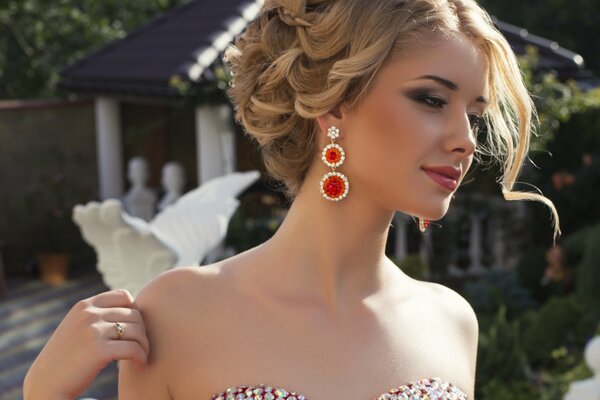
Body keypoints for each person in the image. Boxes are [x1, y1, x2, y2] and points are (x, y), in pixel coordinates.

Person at [23, 0, 562, 399]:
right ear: (333, 104)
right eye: (431, 99)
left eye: (472, 112)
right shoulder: (176, 314)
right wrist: (43, 394)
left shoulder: (452, 322)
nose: (465, 138)